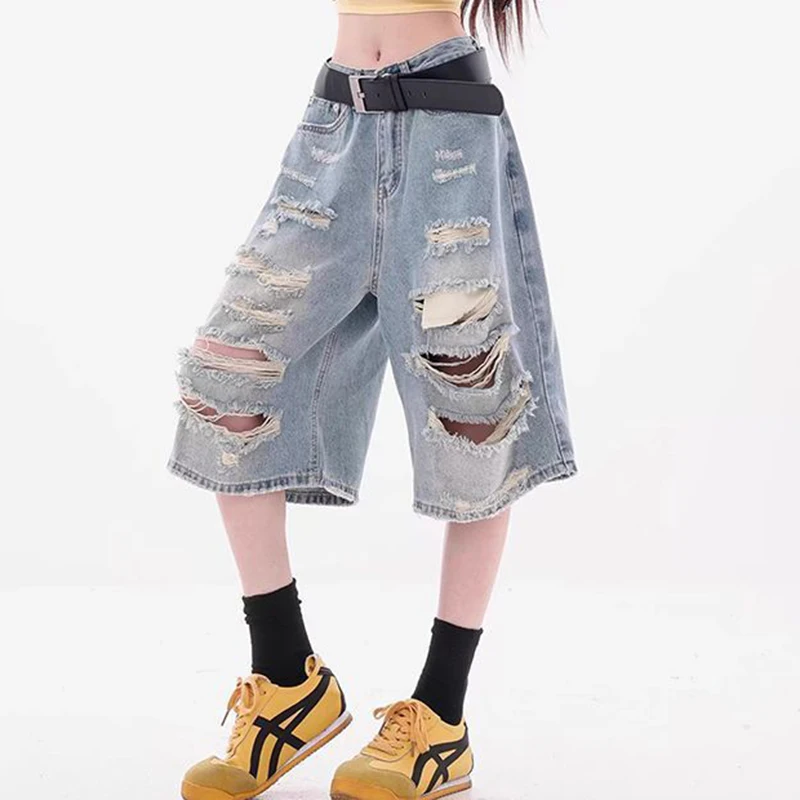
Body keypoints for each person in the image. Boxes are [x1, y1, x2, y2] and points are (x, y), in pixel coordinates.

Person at [168, 1, 576, 798]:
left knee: (471, 406)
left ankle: (441, 714)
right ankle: (288, 677)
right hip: (334, 128)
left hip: (449, 133)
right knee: (229, 372)